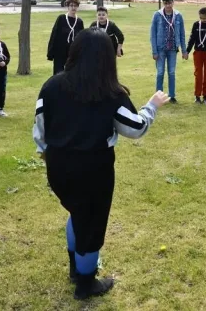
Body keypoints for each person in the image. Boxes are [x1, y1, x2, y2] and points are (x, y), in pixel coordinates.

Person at [33, 28, 169, 300]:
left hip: (58, 167)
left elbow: (40, 128)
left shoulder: (51, 86)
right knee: (91, 226)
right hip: (94, 170)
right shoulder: (109, 93)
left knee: (77, 213)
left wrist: (47, 154)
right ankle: (86, 284)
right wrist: (151, 106)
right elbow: (135, 127)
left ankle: (76, 269)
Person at [150, 0, 187, 104]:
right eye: (165, 3)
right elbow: (153, 34)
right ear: (163, 3)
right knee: (160, 72)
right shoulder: (157, 15)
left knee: (171, 72)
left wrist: (184, 50)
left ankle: (172, 96)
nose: (168, 5)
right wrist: (154, 51)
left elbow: (182, 34)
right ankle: (158, 96)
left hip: (172, 49)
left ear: (173, 3)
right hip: (160, 49)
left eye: (169, 3)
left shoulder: (178, 16)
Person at [47, 0, 84, 75]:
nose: (73, 8)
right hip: (60, 51)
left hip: (72, 52)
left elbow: (81, 39)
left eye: (75, 6)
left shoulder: (79, 21)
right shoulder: (61, 18)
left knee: (72, 73)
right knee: (58, 73)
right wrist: (50, 52)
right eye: (71, 5)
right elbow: (54, 35)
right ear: (68, 7)